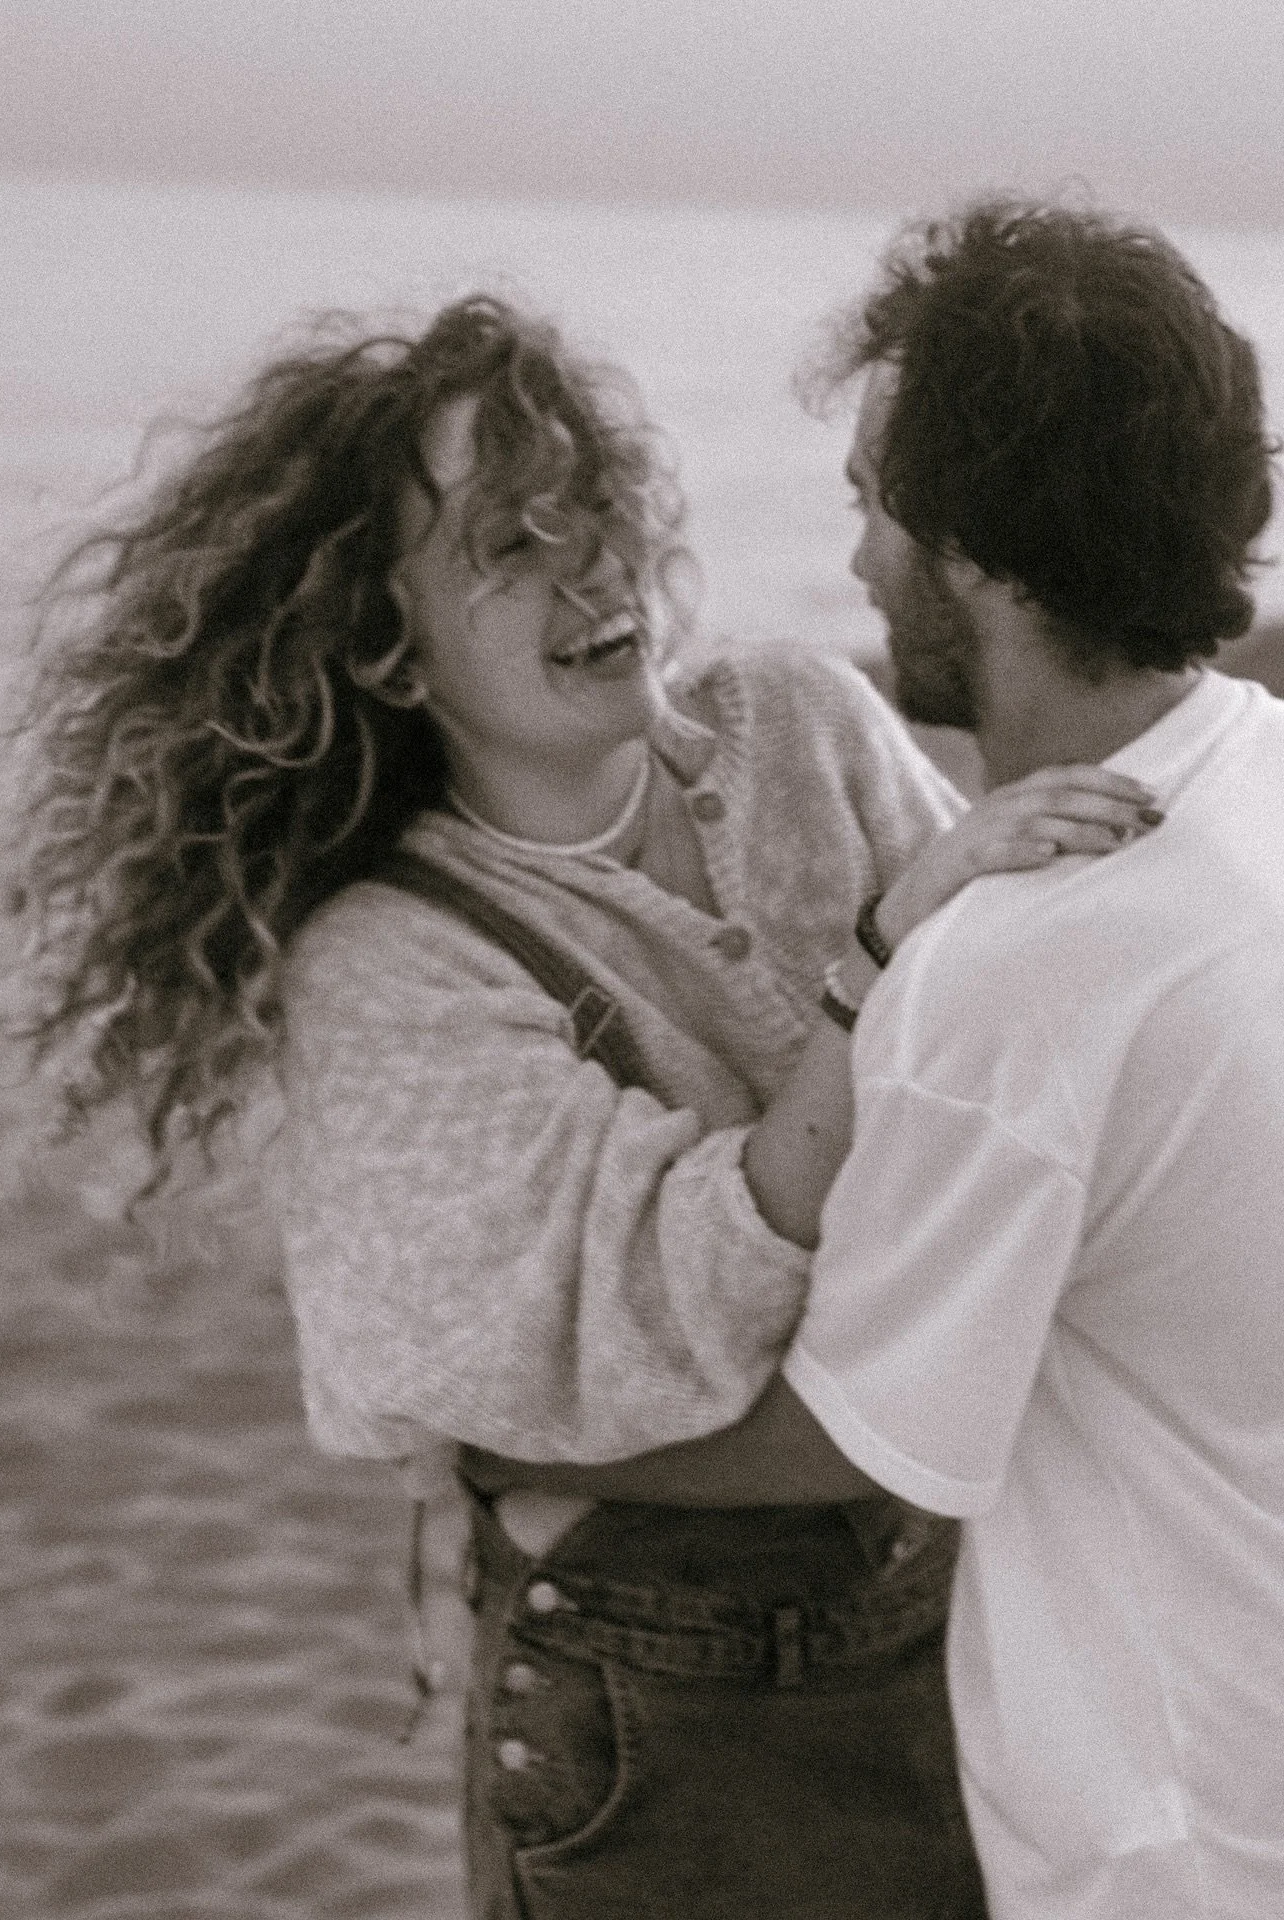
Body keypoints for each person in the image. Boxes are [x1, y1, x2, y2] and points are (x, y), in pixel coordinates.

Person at [3, 292, 1158, 1918]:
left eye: (595, 515)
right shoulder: (392, 965)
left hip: (937, 1610)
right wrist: (886, 958)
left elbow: (992, 1091)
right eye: (511, 546)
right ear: (386, 646)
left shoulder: (801, 726)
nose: (595, 571)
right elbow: (677, 1310)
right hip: (654, 1700)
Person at [482, 202, 1284, 1919]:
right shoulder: (1266, 783)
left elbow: (837, 1441)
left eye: (872, 504)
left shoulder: (1022, 965)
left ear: (982, 554)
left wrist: (492, 1445)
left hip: (1178, 1831)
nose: (855, 562)